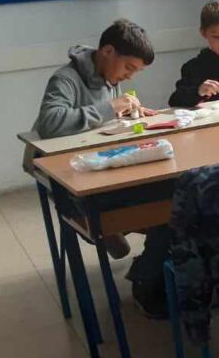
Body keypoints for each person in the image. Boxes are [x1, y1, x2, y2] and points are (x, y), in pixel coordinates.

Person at [32, 19, 156, 262]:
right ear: (107, 51)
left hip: (99, 160)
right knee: (138, 207)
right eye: (128, 67)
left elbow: (101, 119)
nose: (129, 76)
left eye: (136, 71)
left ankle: (148, 248)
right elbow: (49, 123)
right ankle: (98, 221)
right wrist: (110, 108)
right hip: (68, 170)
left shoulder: (110, 76)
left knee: (163, 195)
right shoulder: (66, 78)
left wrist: (126, 112)